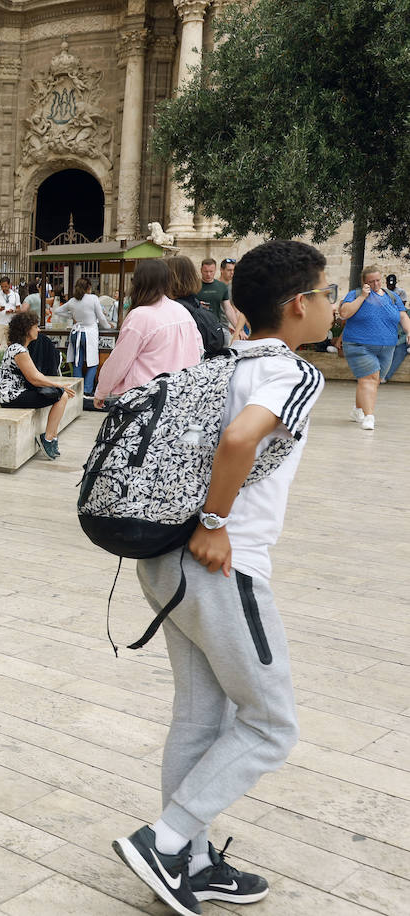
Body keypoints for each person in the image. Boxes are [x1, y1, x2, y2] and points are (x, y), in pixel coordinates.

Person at [112, 240, 332, 916]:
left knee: (201, 716)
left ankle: (195, 862)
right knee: (270, 723)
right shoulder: (295, 374)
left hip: (164, 557)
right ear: (299, 304)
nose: (329, 307)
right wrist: (215, 520)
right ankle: (166, 841)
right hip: (220, 563)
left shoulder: (225, 358)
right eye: (324, 295)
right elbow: (239, 441)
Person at [94, 260, 203, 406]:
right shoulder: (182, 311)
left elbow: (120, 360)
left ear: (138, 283)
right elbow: (199, 349)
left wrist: (102, 390)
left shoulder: (140, 316)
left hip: (146, 398)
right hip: (179, 395)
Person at [338, 265, 410, 430]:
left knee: (371, 380)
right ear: (364, 281)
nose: (376, 284)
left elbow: (402, 315)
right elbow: (344, 313)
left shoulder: (392, 297)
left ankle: (357, 410)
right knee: (369, 378)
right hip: (359, 345)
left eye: (378, 280)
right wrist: (363, 296)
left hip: (387, 346)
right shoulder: (354, 294)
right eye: (371, 281)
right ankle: (369, 417)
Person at [0, 312, 77, 459]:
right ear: (27, 330)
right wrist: (58, 386)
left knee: (61, 395)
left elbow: (35, 376)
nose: (38, 330)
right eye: (36, 327)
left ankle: (51, 437)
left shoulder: (20, 348)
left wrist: (57, 386)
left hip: (16, 393)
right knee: (61, 395)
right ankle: (47, 439)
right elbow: (34, 378)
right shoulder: (18, 350)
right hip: (11, 397)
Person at [57, 277, 111, 396]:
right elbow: (101, 317)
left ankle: (77, 390)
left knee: (77, 362)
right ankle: (87, 390)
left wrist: (72, 316)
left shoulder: (72, 301)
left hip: (76, 333)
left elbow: (58, 311)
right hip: (89, 333)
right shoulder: (93, 298)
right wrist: (108, 327)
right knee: (93, 362)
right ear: (88, 287)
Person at [198, 257, 245, 343]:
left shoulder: (221, 287)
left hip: (216, 328)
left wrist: (238, 329)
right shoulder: (194, 286)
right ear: (201, 270)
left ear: (215, 270)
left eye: (211, 271)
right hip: (198, 328)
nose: (208, 274)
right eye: (206, 271)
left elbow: (228, 309)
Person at [0, 276, 21, 349]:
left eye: (6, 286)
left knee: (10, 342)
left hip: (11, 322)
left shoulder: (15, 295)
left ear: (9, 285)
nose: (4, 288)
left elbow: (19, 309)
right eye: (2, 286)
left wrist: (12, 311)